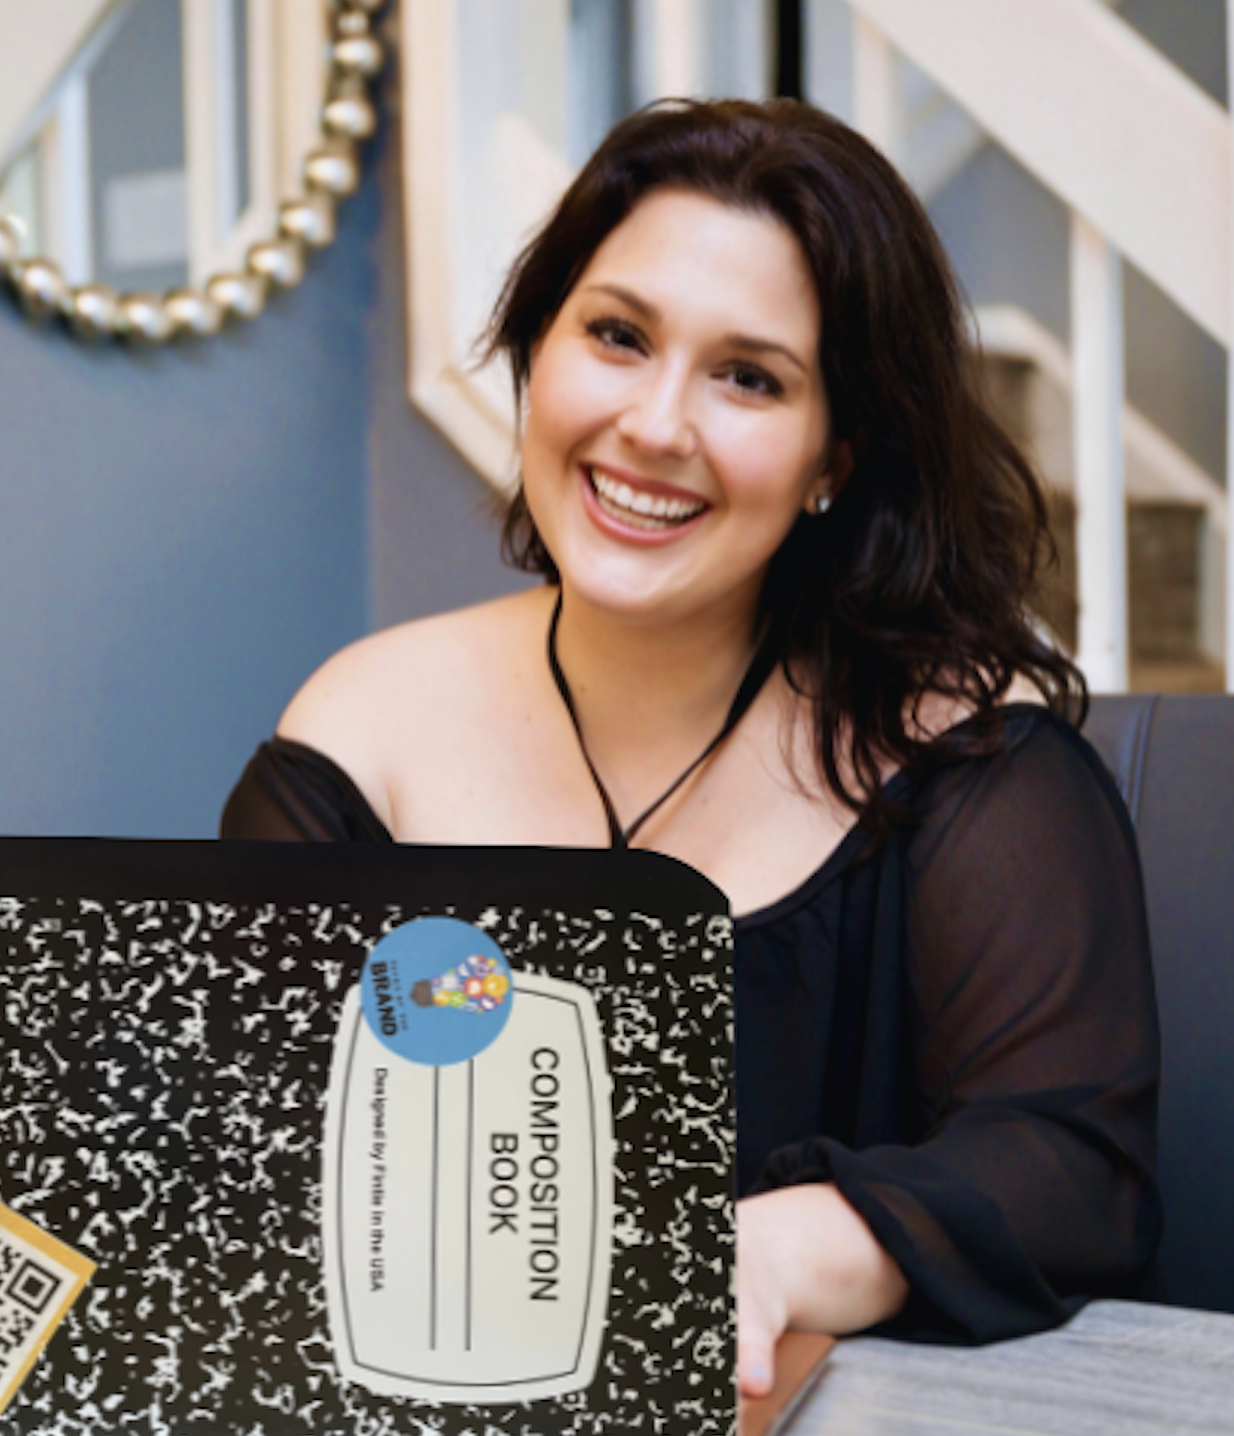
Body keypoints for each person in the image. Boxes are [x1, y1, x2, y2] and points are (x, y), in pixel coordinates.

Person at [222, 99, 1161, 1395]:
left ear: (835, 457)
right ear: (538, 349)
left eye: (748, 377)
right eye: (617, 336)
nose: (657, 425)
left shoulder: (973, 764)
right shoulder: (356, 734)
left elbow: (1070, 1171)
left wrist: (769, 1254)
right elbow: (254, 1163)